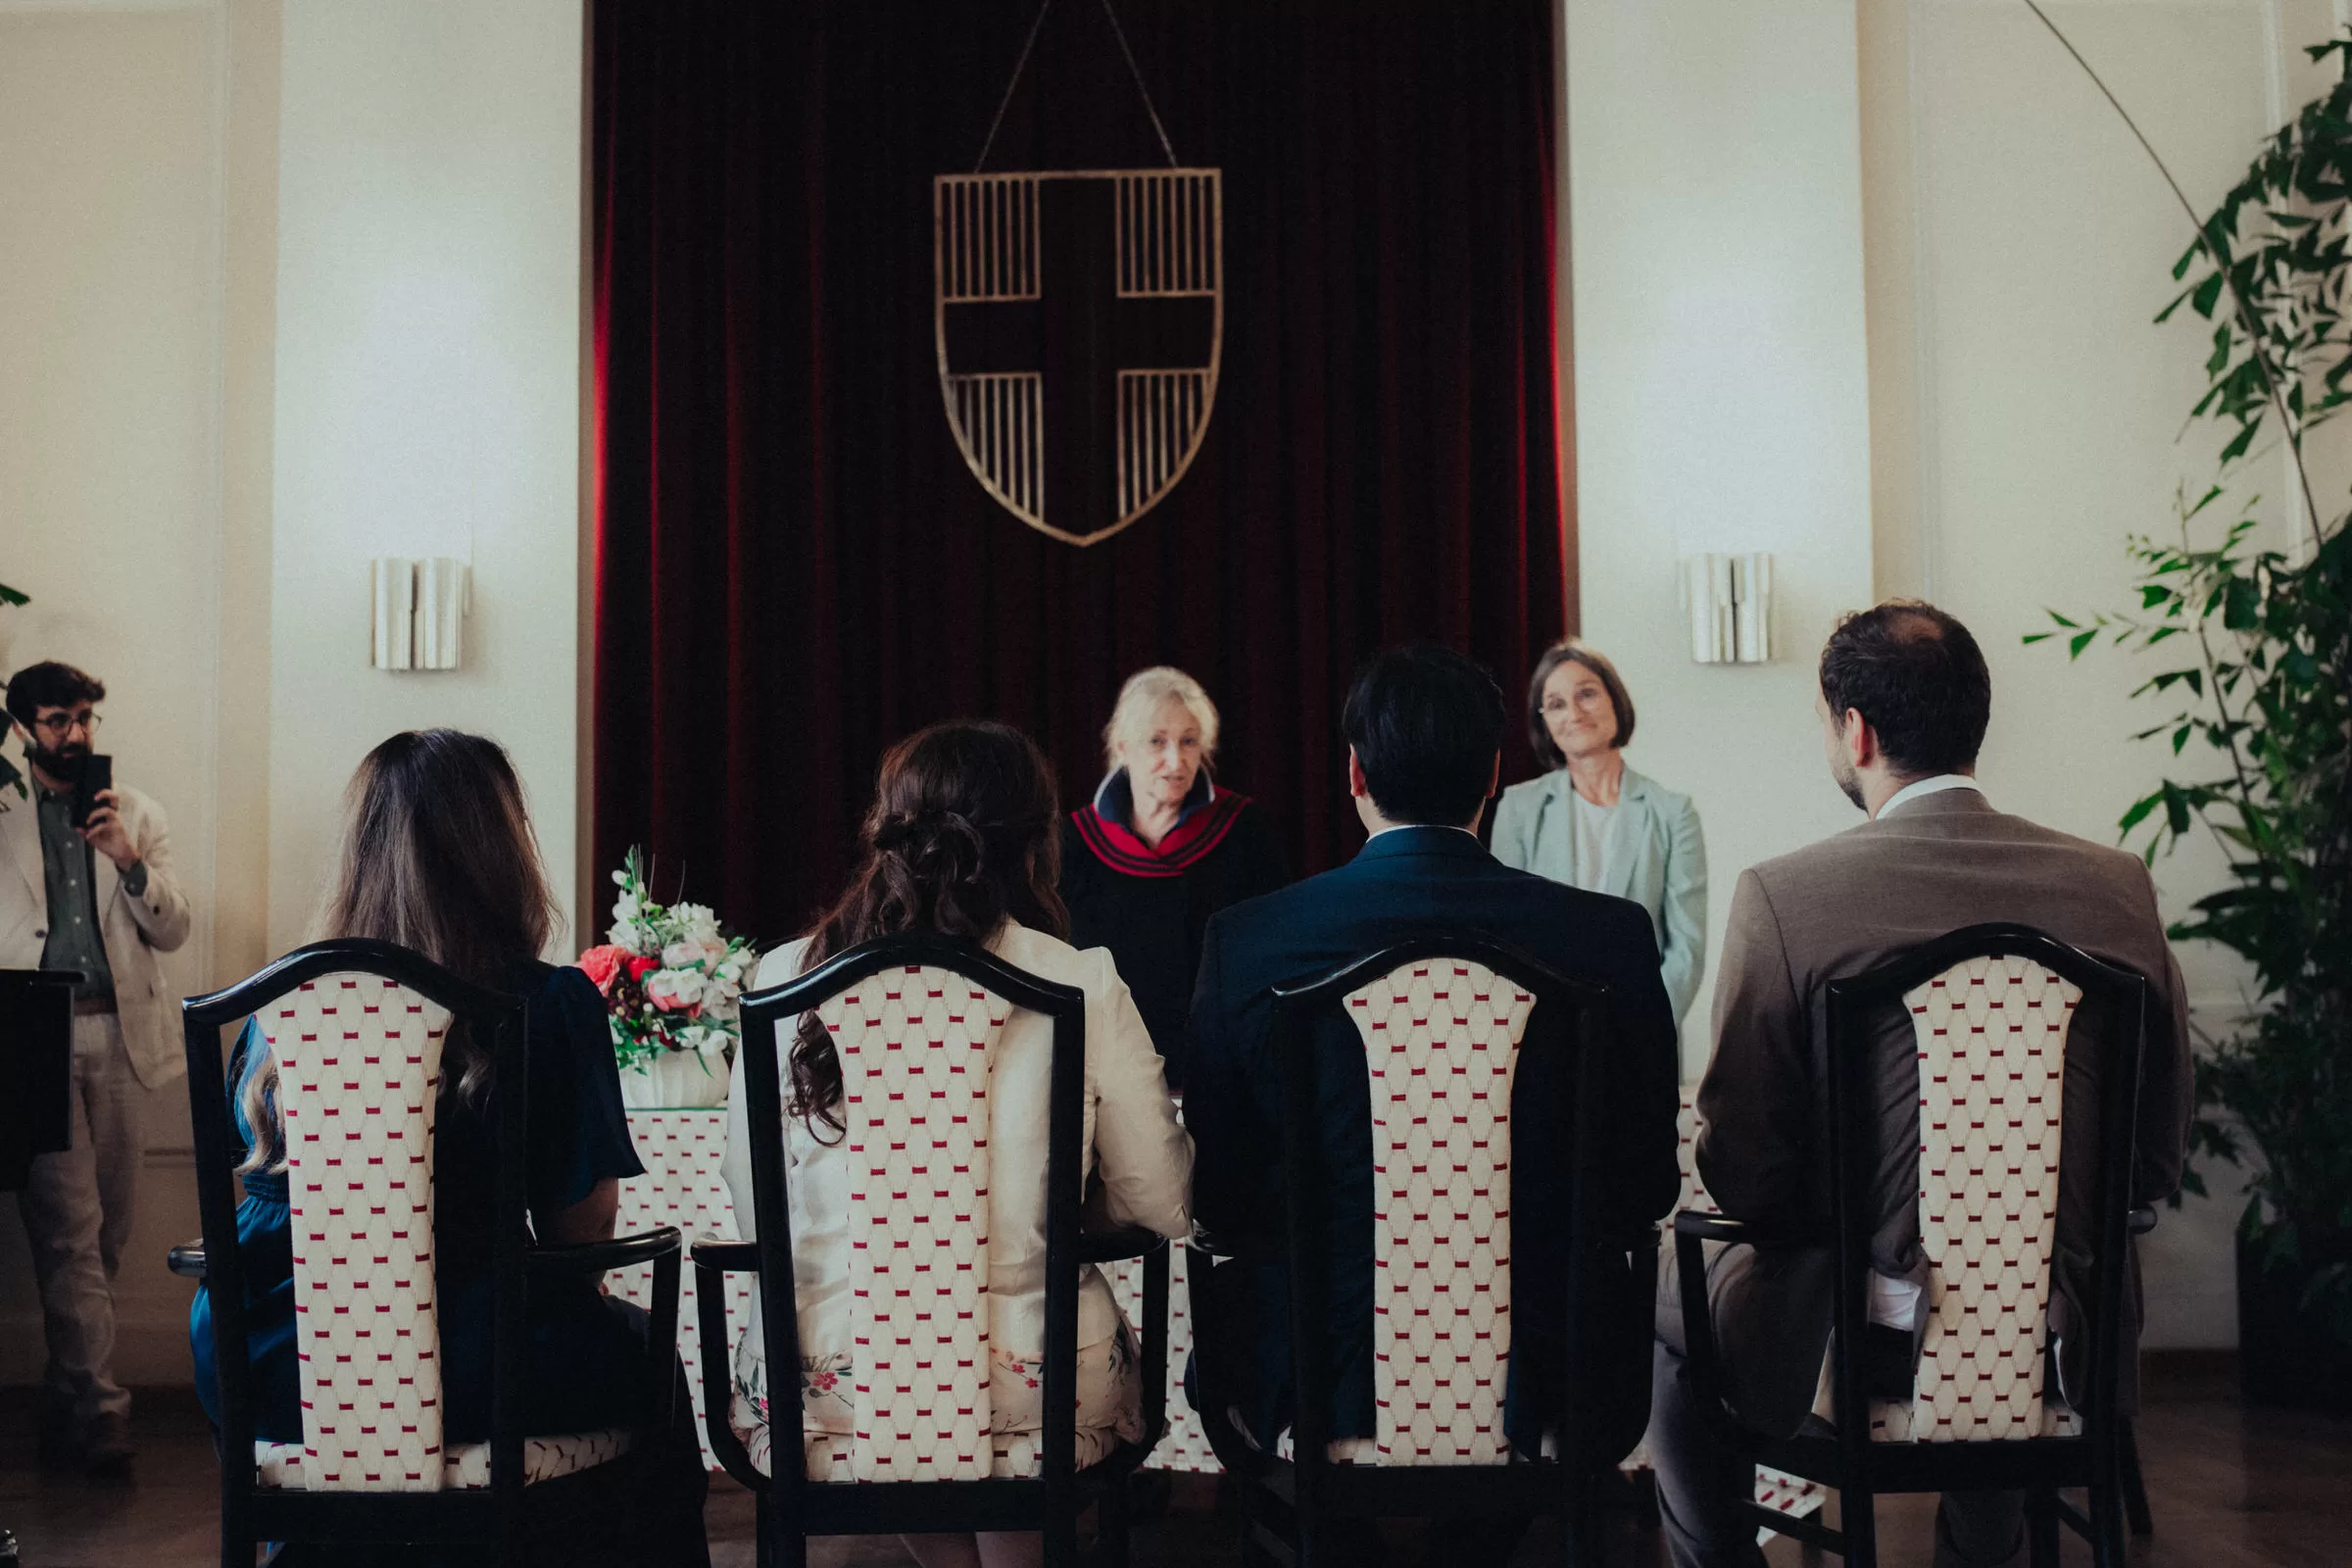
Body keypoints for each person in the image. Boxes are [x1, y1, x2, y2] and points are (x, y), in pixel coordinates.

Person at [1647, 602, 2192, 1568]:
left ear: (1855, 730)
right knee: (2005, 1293)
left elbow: (1744, 1170)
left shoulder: (1785, 894)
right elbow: (2154, 1157)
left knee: (1661, 1305)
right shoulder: (2115, 886)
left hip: (1857, 1326)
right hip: (2060, 1336)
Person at [186, 730, 708, 1565]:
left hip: (267, 1358)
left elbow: (240, 1194)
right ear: (501, 851)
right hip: (469, 1360)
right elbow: (583, 1237)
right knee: (651, 1363)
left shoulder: (279, 1012)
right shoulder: (548, 1003)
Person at [1185, 648, 1683, 1492]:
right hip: (1557, 1376)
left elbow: (1221, 1198)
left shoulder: (1250, 941)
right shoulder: (1609, 938)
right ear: (1494, 775)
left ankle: (1330, 1540)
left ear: (1354, 773)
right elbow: (1645, 1187)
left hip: (1310, 1374)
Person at [723, 721, 1192, 1568]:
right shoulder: (1079, 978)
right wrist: (1070, 1207)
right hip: (1037, 1381)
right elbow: (1162, 1199)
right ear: (1036, 845)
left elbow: (758, 1209)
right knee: (1037, 1392)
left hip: (823, 1387)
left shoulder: (785, 976)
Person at [2, 661, 191, 1479]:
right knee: (69, 1230)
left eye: (84, 718)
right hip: (32, 1033)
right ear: (22, 728)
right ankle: (102, 1412)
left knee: (108, 1229)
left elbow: (174, 931)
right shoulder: (2, 814)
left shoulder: (135, 813)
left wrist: (128, 861)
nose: (75, 734)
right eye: (58, 720)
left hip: (120, 1032)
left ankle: (66, 1392)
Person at [1058, 666, 1288, 1086]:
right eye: (1157, 741)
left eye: (1189, 741)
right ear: (1123, 747)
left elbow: (1272, 955)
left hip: (1223, 1064)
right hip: (1104, 1067)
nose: (1176, 761)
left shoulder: (1245, 831)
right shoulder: (1072, 843)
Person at [1493, 639, 1708, 1026]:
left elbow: (1686, 948)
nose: (1574, 713)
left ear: (1615, 700)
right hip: (1543, 1028)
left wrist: (1641, 1028)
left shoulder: (1673, 813)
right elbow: (1507, 934)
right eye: (1556, 704)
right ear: (1545, 723)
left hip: (1640, 1029)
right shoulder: (1519, 808)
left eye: (1587, 694)